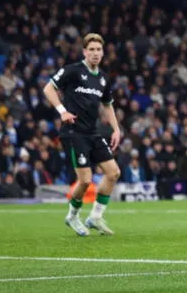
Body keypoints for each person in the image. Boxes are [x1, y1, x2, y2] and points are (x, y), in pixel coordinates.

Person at [43, 33, 121, 236]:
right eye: (92, 50)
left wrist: (116, 129)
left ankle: (95, 216)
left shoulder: (103, 78)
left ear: (103, 53)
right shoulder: (73, 71)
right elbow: (48, 88)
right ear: (85, 52)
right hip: (73, 132)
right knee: (85, 180)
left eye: (99, 50)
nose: (95, 53)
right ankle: (72, 216)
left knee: (113, 173)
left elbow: (107, 105)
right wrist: (62, 111)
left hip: (92, 132)